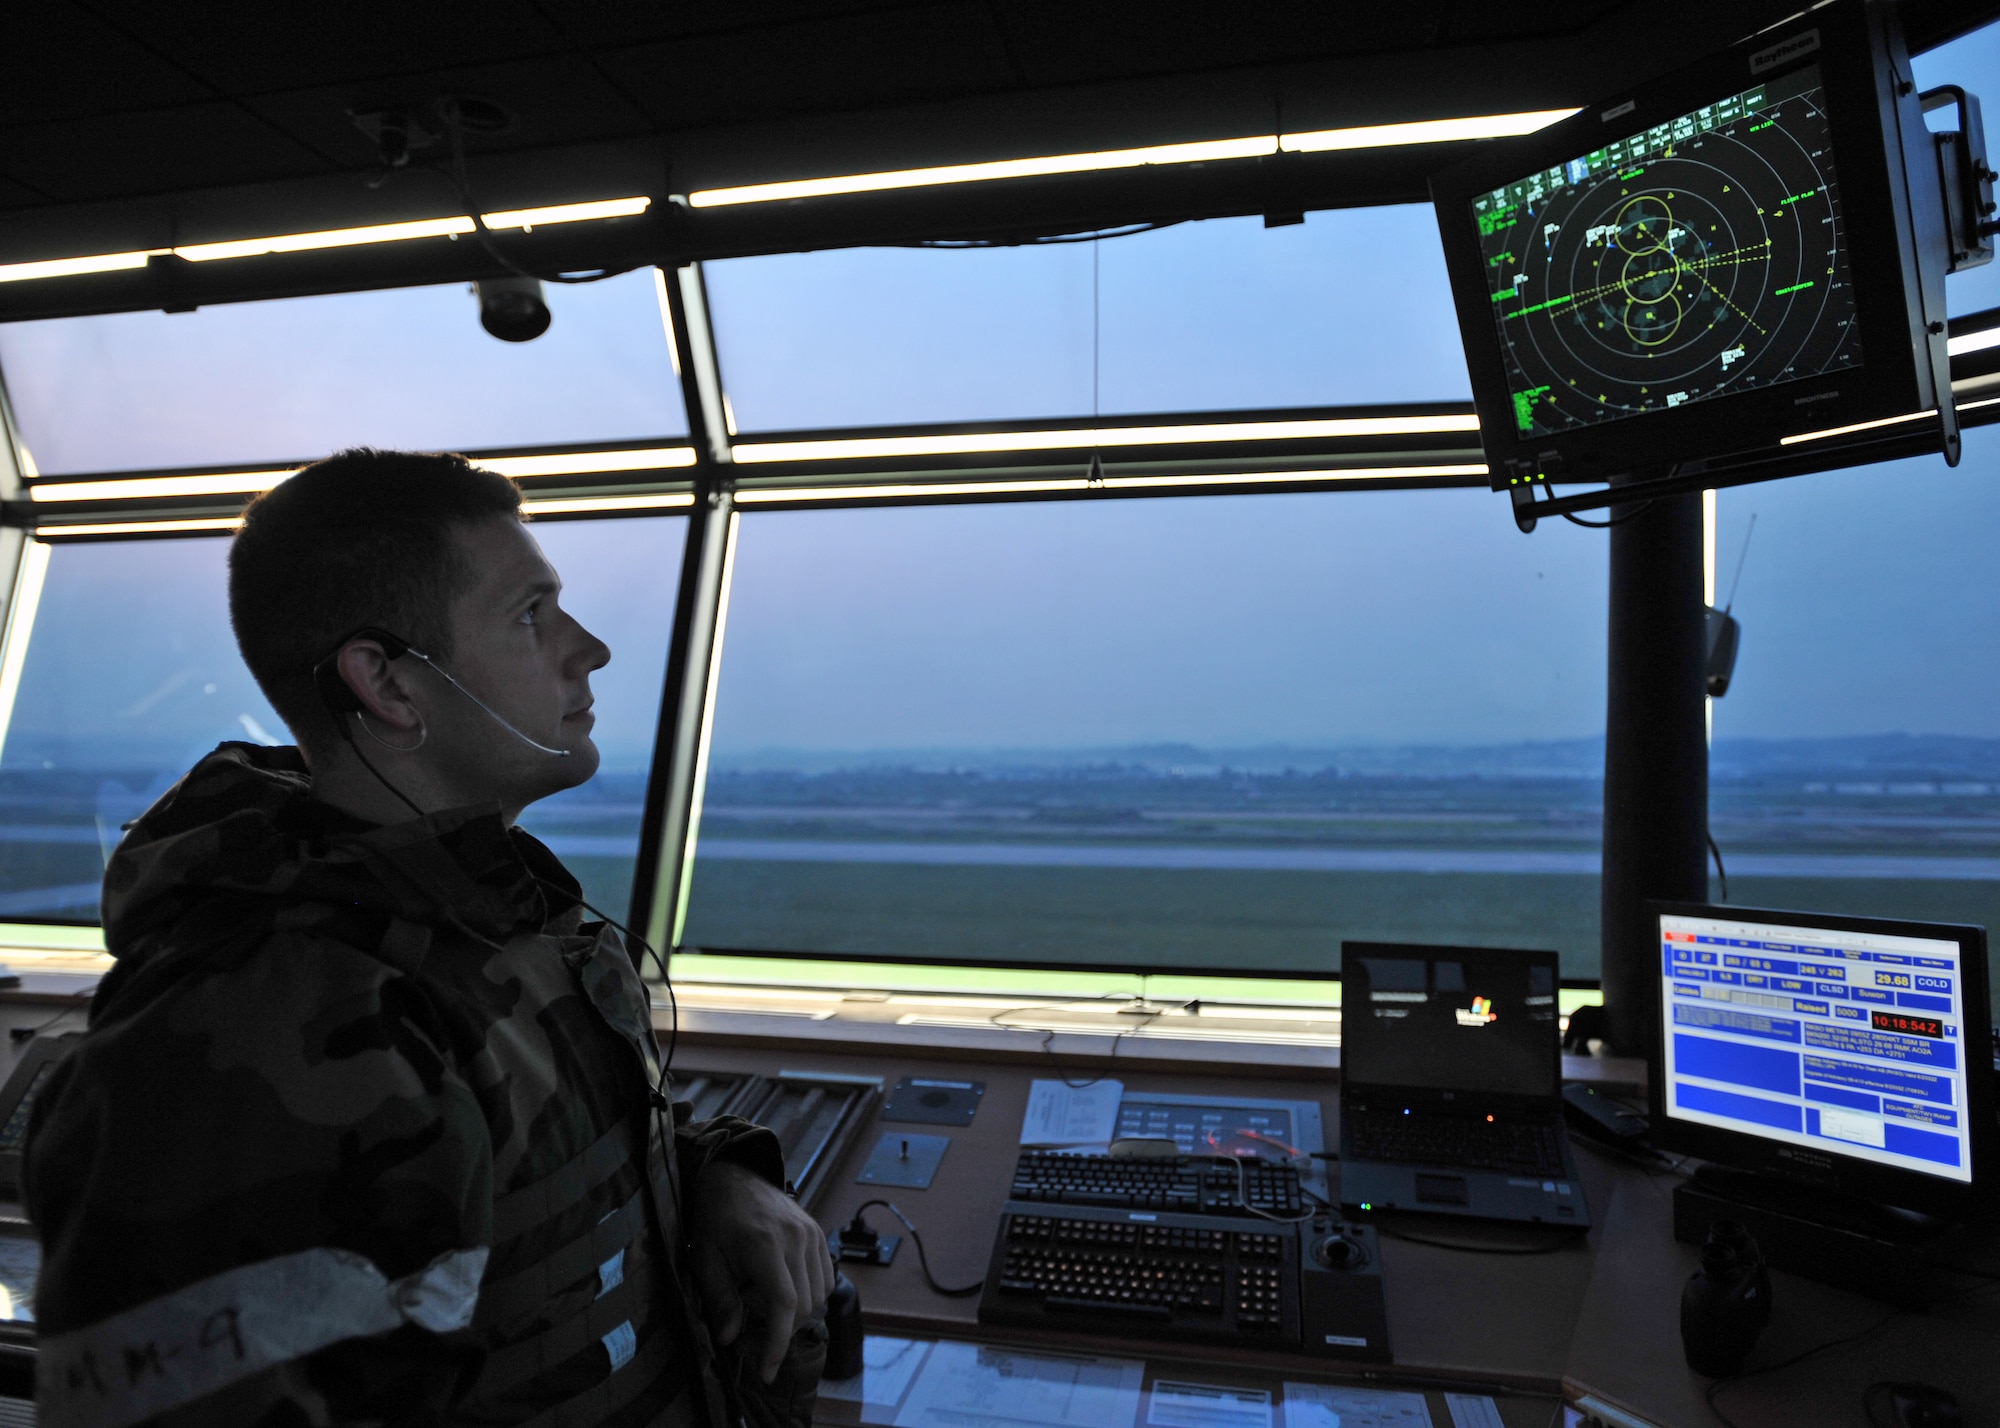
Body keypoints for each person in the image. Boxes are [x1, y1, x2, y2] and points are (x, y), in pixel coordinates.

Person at [24, 448, 831, 1427]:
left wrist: (715, 1180)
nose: (587, 649)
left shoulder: (480, 916)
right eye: (530, 615)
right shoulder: (256, 1020)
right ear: (388, 686)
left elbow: (530, 1155)